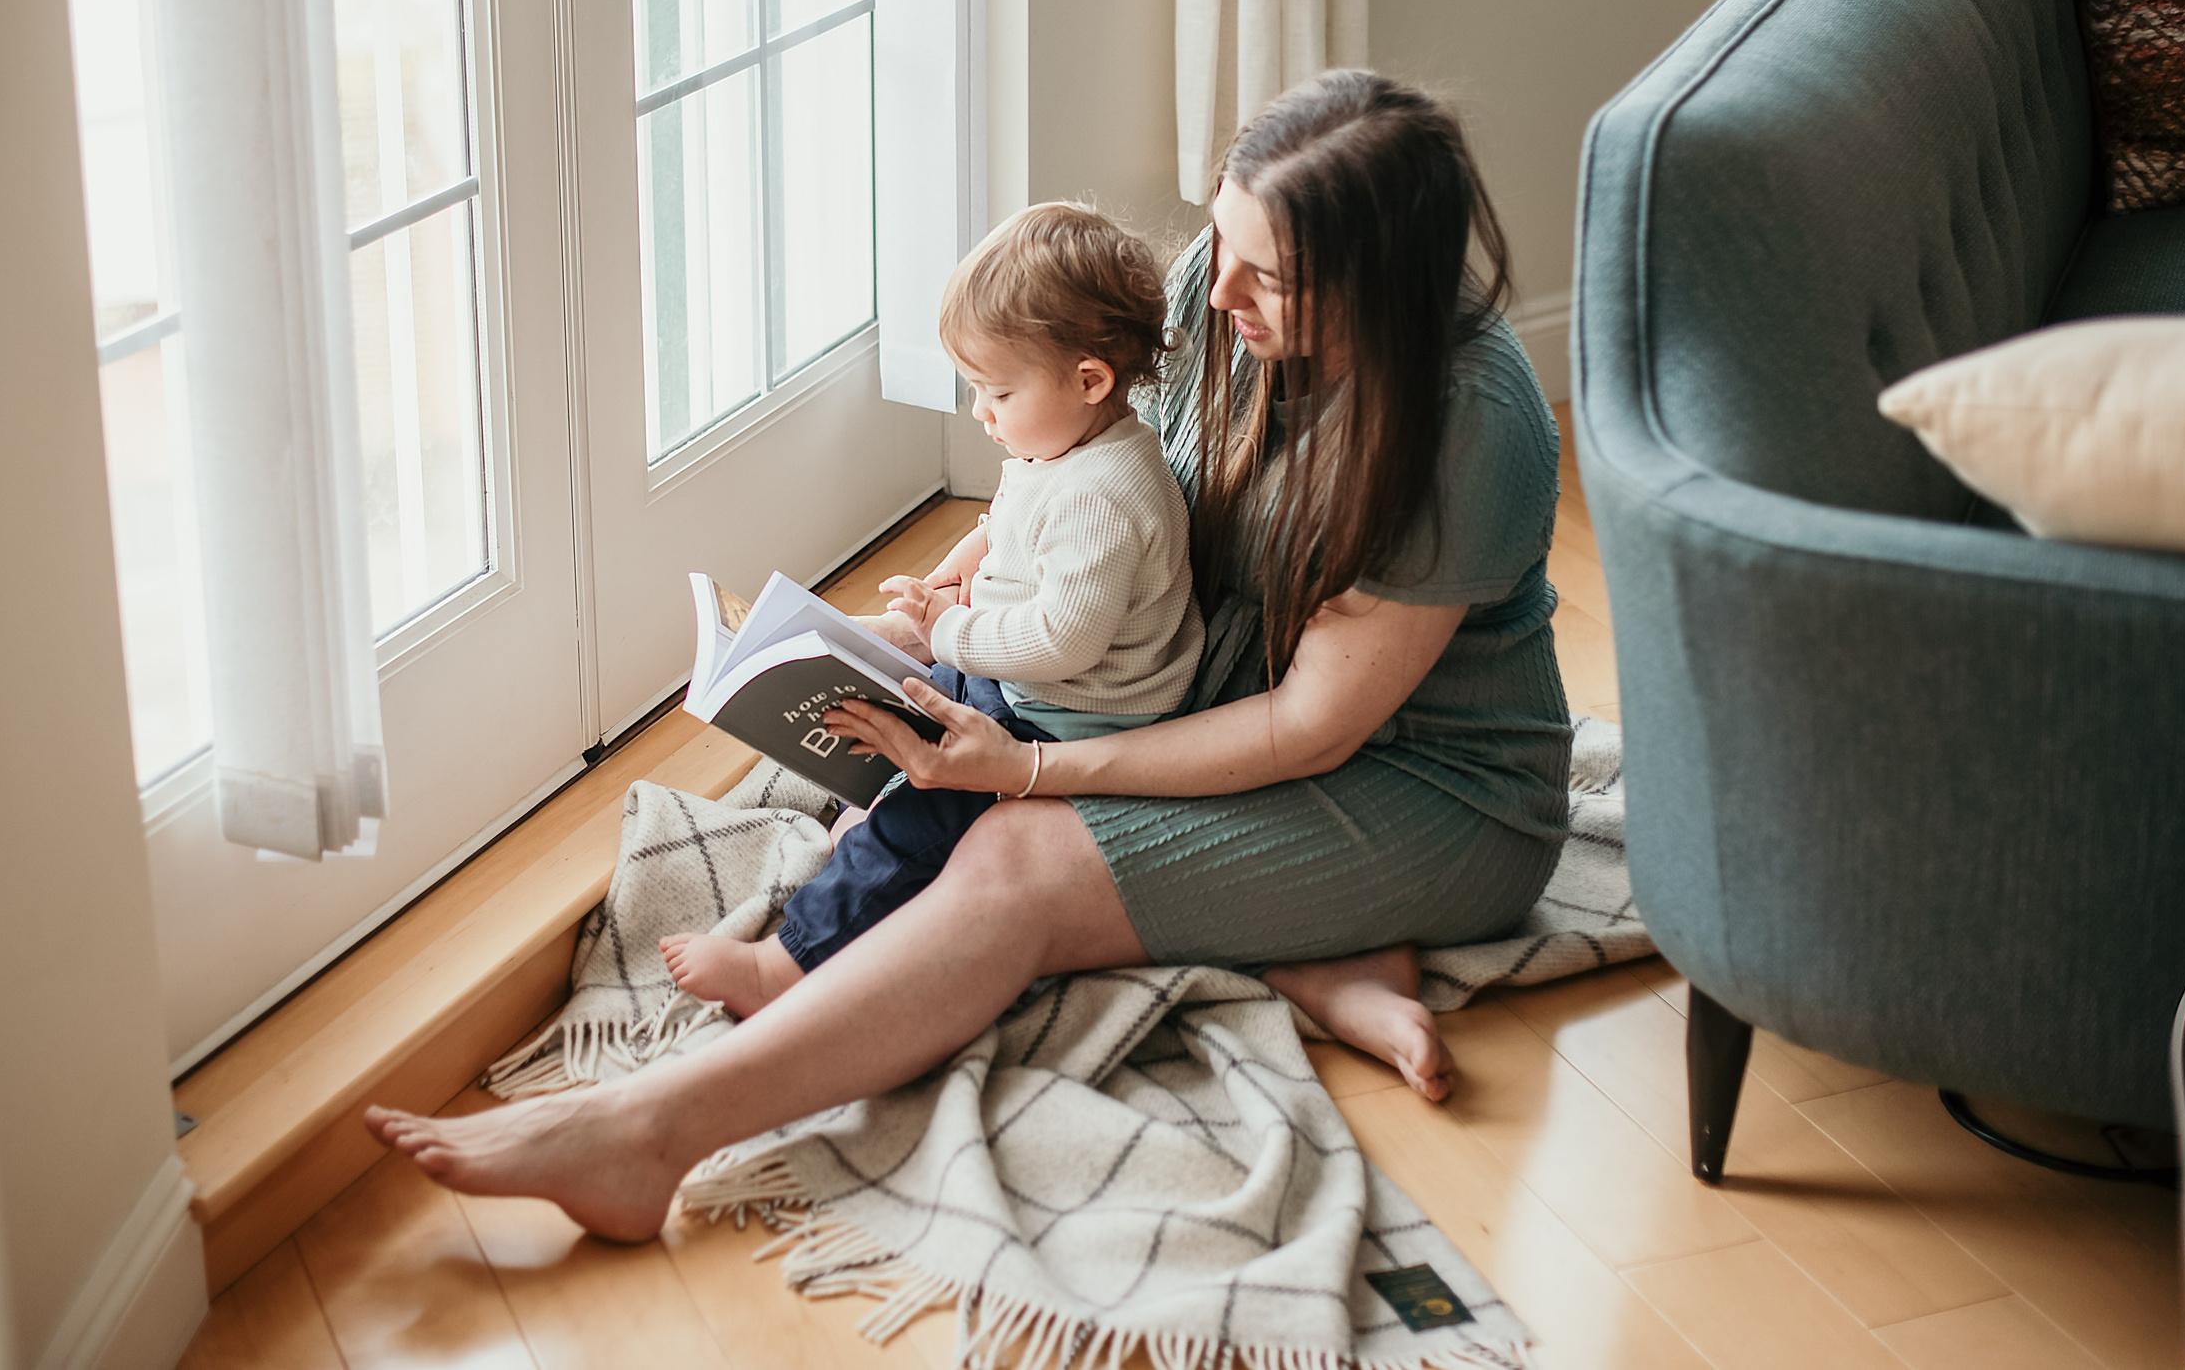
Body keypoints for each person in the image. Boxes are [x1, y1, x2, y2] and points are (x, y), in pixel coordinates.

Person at [367, 71, 1572, 1244]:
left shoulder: (1467, 426)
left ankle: (645, 1133)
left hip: (1426, 786)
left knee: (1012, 856)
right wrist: (947, 606)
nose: (1219, 294)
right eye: (1222, 241)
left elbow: (1308, 730)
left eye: (1273, 277)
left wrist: (1034, 774)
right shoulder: (1227, 283)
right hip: (1218, 687)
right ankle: (1313, 943)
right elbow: (1086, 474)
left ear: (1387, 288)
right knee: (916, 695)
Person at [660, 204, 1203, 1016]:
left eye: (998, 390)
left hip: (1072, 717)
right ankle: (867, 797)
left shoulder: (1106, 494)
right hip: (1022, 680)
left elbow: (1061, 638)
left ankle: (789, 962)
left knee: (923, 809)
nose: (981, 411)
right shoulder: (1066, 444)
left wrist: (947, 626)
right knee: (894, 705)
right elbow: (1011, 524)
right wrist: (956, 572)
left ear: (1090, 380)